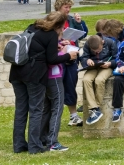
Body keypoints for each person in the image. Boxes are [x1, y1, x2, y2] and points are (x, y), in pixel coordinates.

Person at [9, 12, 77, 154]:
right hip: (34, 76)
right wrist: (67, 55)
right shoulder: (51, 34)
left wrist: (55, 47)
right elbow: (51, 59)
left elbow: (36, 48)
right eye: (62, 27)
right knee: (36, 110)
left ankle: (19, 144)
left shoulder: (33, 27)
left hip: (17, 72)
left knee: (21, 109)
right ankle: (35, 146)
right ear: (58, 26)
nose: (62, 30)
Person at [54, 0, 88, 126]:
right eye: (65, 7)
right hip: (59, 57)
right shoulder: (53, 19)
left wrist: (80, 23)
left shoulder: (71, 19)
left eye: (69, 7)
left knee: (71, 85)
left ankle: (73, 116)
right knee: (56, 87)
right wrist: (61, 41)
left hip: (72, 56)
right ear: (59, 7)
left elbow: (83, 33)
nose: (68, 10)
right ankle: (53, 116)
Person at [40, 27, 73, 151]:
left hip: (46, 78)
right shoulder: (51, 40)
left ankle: (42, 138)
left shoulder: (44, 40)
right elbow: (52, 59)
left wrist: (59, 45)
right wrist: (65, 53)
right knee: (57, 109)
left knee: (46, 109)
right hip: (54, 78)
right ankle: (52, 142)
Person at [81, 32, 118, 125]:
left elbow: (118, 58)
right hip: (93, 67)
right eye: (94, 51)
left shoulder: (110, 42)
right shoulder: (88, 44)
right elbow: (83, 58)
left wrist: (110, 63)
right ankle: (95, 109)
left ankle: (96, 107)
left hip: (107, 66)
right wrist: (87, 60)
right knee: (86, 80)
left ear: (102, 42)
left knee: (99, 80)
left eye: (98, 50)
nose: (97, 52)